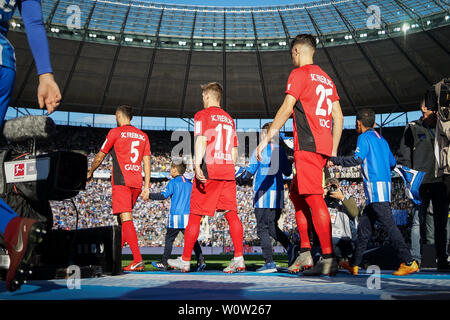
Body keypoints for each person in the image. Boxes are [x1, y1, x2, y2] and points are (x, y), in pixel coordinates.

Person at [256, 34, 344, 276]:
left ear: (296, 51)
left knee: (315, 199)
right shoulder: (326, 79)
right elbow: (339, 115)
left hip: (307, 145)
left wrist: (266, 139)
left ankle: (327, 257)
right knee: (296, 195)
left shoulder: (299, 74)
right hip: (322, 145)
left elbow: (286, 108)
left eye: (291, 53)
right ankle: (305, 250)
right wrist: (333, 148)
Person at [0, 0, 61, 291]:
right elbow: (34, 22)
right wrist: (45, 75)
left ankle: (12, 228)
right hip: (4, 64)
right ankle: (13, 229)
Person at [329, 108, 419, 276]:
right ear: (375, 123)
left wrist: (336, 160)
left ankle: (408, 261)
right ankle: (354, 264)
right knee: (364, 229)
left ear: (358, 123)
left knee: (390, 226)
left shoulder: (363, 137)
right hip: (383, 188)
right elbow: (392, 163)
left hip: (375, 189)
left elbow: (357, 159)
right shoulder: (382, 139)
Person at [168, 82, 244, 273]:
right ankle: (239, 259)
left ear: (209, 96)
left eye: (203, 96)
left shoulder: (202, 115)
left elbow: (201, 139)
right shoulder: (228, 119)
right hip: (227, 170)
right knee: (231, 214)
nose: (202, 100)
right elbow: (235, 150)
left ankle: (185, 260)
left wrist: (196, 164)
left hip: (209, 168)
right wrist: (229, 167)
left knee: (194, 216)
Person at [87, 105, 151, 272]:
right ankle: (112, 258)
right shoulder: (143, 136)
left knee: (126, 220)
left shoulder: (115, 132)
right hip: (137, 182)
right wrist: (146, 186)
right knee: (122, 222)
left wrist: (90, 171)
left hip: (122, 181)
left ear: (118, 115)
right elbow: (146, 162)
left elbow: (101, 154)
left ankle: (137, 259)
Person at [397, 93, 450, 271]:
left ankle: (442, 259)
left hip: (441, 182)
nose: (427, 112)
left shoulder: (444, 127)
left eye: (430, 109)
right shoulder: (412, 128)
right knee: (417, 222)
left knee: (441, 224)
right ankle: (415, 260)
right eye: (425, 109)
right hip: (420, 183)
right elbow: (404, 157)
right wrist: (409, 180)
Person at [236, 122, 294, 273]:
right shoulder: (280, 151)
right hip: (278, 195)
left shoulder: (259, 150)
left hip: (263, 194)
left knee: (262, 228)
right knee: (272, 227)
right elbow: (288, 173)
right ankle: (291, 248)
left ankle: (269, 262)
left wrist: (238, 177)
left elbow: (248, 174)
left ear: (264, 135)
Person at [149, 161, 205, 271]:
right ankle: (201, 260)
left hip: (175, 217)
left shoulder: (173, 182)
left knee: (169, 240)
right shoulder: (190, 183)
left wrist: (149, 195)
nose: (170, 171)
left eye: (171, 169)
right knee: (192, 240)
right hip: (187, 217)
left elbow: (163, 195)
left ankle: (164, 262)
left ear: (175, 170)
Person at [323, 178, 359, 263]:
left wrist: (341, 198)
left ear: (339, 187)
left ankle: (343, 259)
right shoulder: (323, 201)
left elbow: (354, 213)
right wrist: (320, 197)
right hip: (330, 238)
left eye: (334, 186)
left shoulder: (347, 198)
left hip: (346, 238)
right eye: (329, 187)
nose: (332, 189)